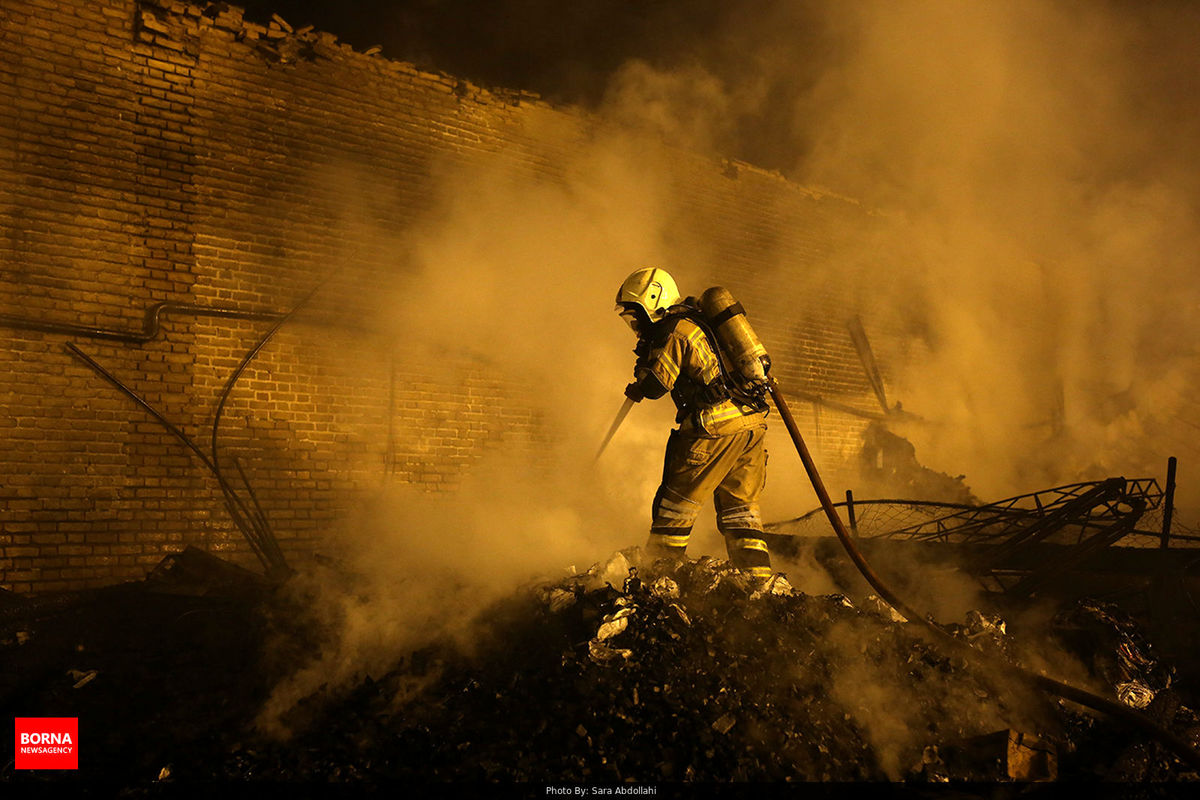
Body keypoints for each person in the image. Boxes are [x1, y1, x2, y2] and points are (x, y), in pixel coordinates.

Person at [615, 267, 778, 583]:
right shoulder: (701, 325)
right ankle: (758, 582)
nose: (634, 324)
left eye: (636, 314)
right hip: (750, 427)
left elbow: (656, 385)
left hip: (714, 429)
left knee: (674, 508)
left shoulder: (675, 331)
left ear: (653, 302)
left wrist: (639, 383)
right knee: (741, 512)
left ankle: (656, 579)